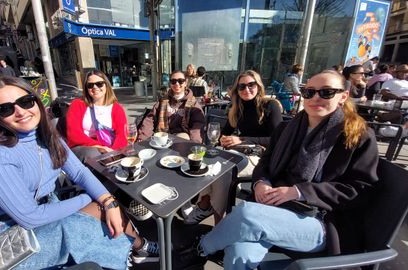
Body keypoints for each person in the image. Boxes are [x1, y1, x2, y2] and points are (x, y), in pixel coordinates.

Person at [183, 70, 379, 269]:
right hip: (274, 207)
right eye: (309, 92)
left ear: (343, 96)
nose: (315, 98)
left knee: (246, 214)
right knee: (237, 253)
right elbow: (264, 163)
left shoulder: (358, 137)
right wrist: (261, 182)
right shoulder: (288, 129)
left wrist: (299, 192)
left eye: (326, 92)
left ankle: (199, 249)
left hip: (321, 219)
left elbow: (360, 191)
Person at [0, 76, 159, 269]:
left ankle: (137, 247)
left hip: (47, 210)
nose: (20, 111)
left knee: (107, 204)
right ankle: (135, 248)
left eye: (25, 102)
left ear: (36, 102)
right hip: (12, 239)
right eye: (5, 109)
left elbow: (80, 173)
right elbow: (30, 217)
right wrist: (97, 200)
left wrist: (107, 200)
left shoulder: (47, 138)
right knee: (100, 210)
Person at [182, 70, 282, 225]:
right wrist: (223, 139)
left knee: (223, 171)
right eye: (241, 86)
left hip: (261, 157)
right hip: (240, 152)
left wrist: (241, 139)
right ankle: (205, 204)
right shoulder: (237, 107)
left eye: (251, 85)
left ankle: (218, 221)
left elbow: (277, 140)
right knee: (208, 161)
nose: (246, 89)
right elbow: (225, 133)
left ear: (259, 86)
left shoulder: (270, 106)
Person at [66, 70, 128, 162]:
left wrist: (113, 153)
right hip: (84, 147)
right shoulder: (77, 105)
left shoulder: (117, 108)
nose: (95, 87)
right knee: (93, 154)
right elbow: (74, 135)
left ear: (106, 85)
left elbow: (122, 136)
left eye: (99, 84)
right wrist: (99, 146)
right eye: (90, 85)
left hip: (109, 148)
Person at [138, 70, 206, 143]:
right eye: (173, 81)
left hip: (181, 137)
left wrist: (195, 144)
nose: (177, 84)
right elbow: (150, 119)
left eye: (180, 81)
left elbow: (198, 124)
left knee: (183, 137)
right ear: (170, 83)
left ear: (185, 83)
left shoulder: (192, 103)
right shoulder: (163, 100)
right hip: (163, 135)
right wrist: (143, 139)